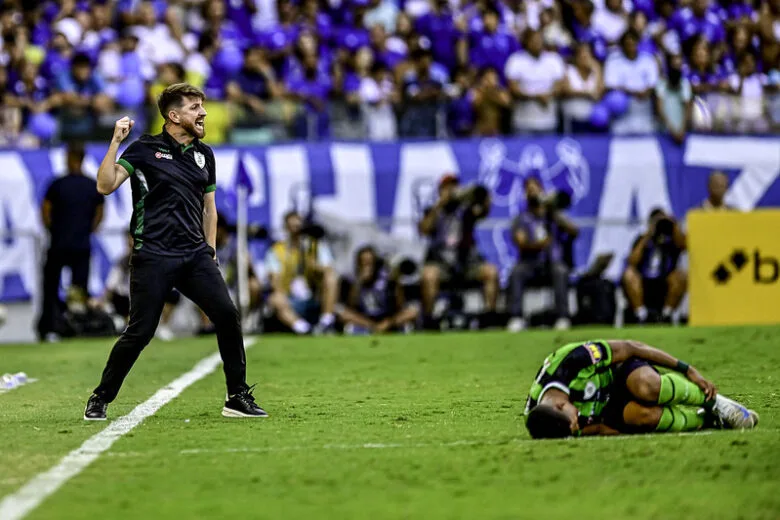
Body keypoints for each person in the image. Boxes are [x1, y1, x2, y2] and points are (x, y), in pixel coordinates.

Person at [84, 83, 267, 420]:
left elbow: (209, 208)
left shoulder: (204, 154)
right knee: (140, 332)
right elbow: (105, 185)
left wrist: (209, 250)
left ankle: (237, 396)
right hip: (152, 254)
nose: (203, 113)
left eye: (202, 106)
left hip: (195, 255)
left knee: (227, 315)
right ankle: (100, 397)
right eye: (195, 107)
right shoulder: (143, 149)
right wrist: (115, 142)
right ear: (174, 115)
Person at [524, 339, 759, 439]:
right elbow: (595, 428)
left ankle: (715, 402)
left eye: (573, 420)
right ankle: (707, 420)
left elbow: (631, 347)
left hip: (621, 374)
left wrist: (687, 369)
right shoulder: (549, 424)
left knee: (647, 387)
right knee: (644, 417)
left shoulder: (573, 361)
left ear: (560, 404)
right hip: (607, 407)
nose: (576, 424)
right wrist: (623, 429)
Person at [37, 142, 104, 342]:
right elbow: (100, 214)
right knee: (78, 288)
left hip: (58, 244)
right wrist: (87, 231)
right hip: (81, 244)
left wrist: (52, 230)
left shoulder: (57, 184)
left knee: (50, 287)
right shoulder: (91, 185)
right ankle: (77, 325)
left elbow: (45, 211)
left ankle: (49, 326)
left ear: (69, 159)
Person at [418, 174, 498, 329]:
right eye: (447, 187)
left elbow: (482, 212)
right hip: (441, 262)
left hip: (466, 262)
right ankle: (428, 319)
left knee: (491, 272)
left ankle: (490, 316)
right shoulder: (434, 211)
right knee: (429, 275)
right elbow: (424, 229)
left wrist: (484, 197)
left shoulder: (466, 210)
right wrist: (440, 204)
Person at [507, 177, 578, 332]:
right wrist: (540, 244)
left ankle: (562, 317)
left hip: (552, 262)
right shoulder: (522, 219)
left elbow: (574, 231)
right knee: (516, 273)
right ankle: (516, 317)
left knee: (560, 271)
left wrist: (553, 212)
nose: (533, 193)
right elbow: (520, 242)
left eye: (535, 189)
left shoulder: (553, 216)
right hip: (530, 263)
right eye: (529, 190)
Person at [265, 210, 339, 335]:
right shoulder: (277, 250)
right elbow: (274, 280)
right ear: (286, 228)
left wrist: (313, 265)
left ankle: (326, 322)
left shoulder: (315, 247)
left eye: (298, 227)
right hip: (291, 299)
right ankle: (304, 329)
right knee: (275, 298)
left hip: (314, 296)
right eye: (292, 227)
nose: (296, 231)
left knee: (331, 278)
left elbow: (328, 269)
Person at [96, 233, 181, 341]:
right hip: (128, 299)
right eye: (130, 243)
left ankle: (162, 326)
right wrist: (102, 301)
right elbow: (111, 285)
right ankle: (130, 326)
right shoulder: (123, 262)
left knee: (172, 294)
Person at [622, 208, 686, 324]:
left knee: (682, 275)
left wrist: (673, 225)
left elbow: (684, 246)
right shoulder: (642, 239)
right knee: (629, 274)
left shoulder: (672, 240)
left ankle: (666, 315)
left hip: (665, 282)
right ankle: (641, 315)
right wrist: (648, 235)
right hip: (644, 283)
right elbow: (632, 261)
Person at [337, 245, 419, 334]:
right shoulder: (351, 279)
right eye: (363, 262)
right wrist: (359, 282)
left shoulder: (387, 278)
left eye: (369, 262)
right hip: (364, 319)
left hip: (387, 318)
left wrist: (397, 283)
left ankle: (386, 328)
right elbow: (351, 306)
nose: (367, 266)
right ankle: (372, 328)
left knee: (412, 312)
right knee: (343, 314)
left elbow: (400, 305)